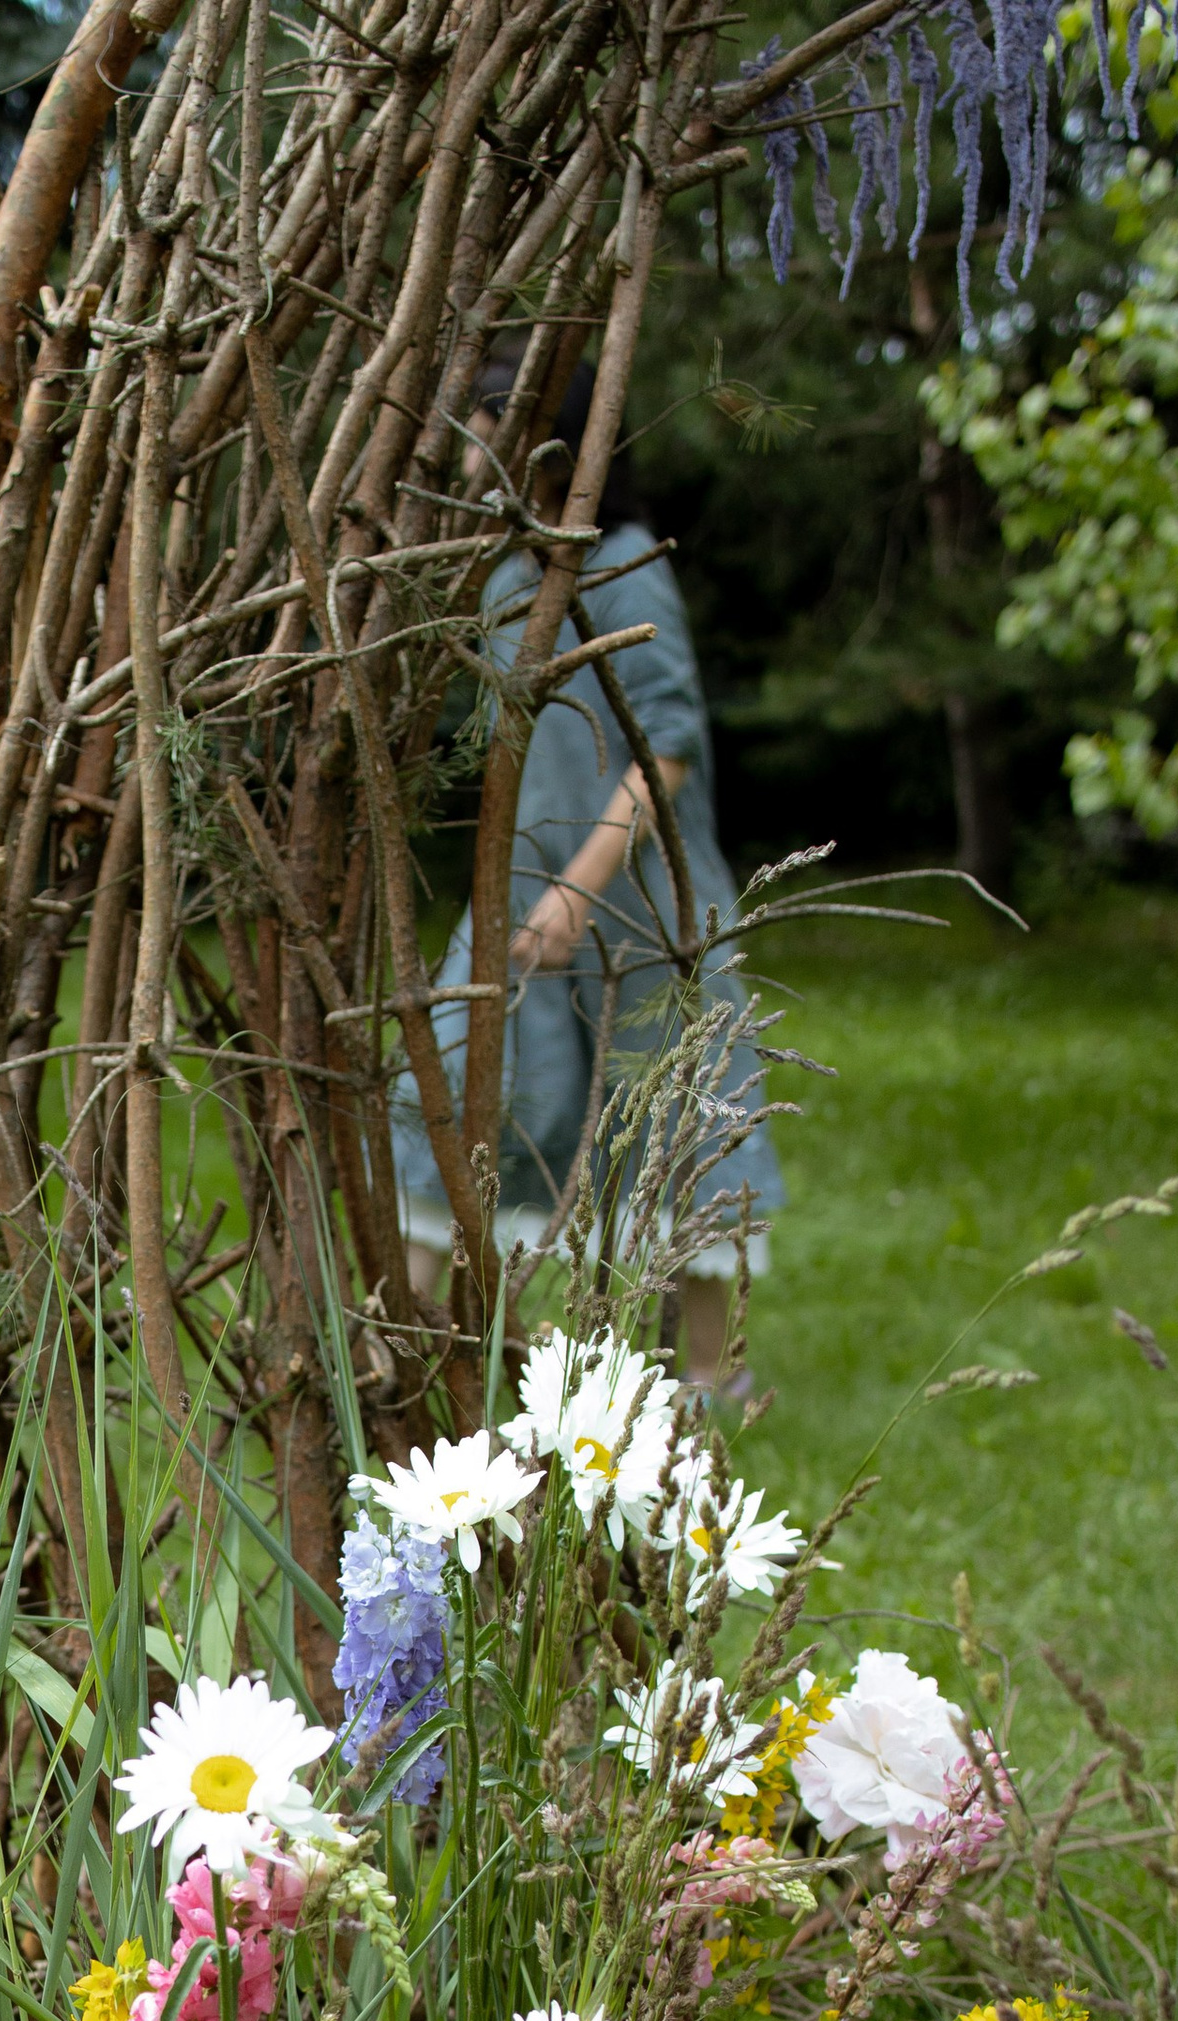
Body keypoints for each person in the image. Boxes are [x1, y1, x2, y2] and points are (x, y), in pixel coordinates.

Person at [392, 358, 782, 1398]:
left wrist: (580, 884)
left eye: (489, 430)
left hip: (643, 903)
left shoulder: (623, 566)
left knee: (680, 1113)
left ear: (550, 444)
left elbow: (666, 749)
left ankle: (709, 1382)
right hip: (520, 888)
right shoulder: (506, 573)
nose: (473, 455)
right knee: (476, 1086)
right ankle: (445, 1351)